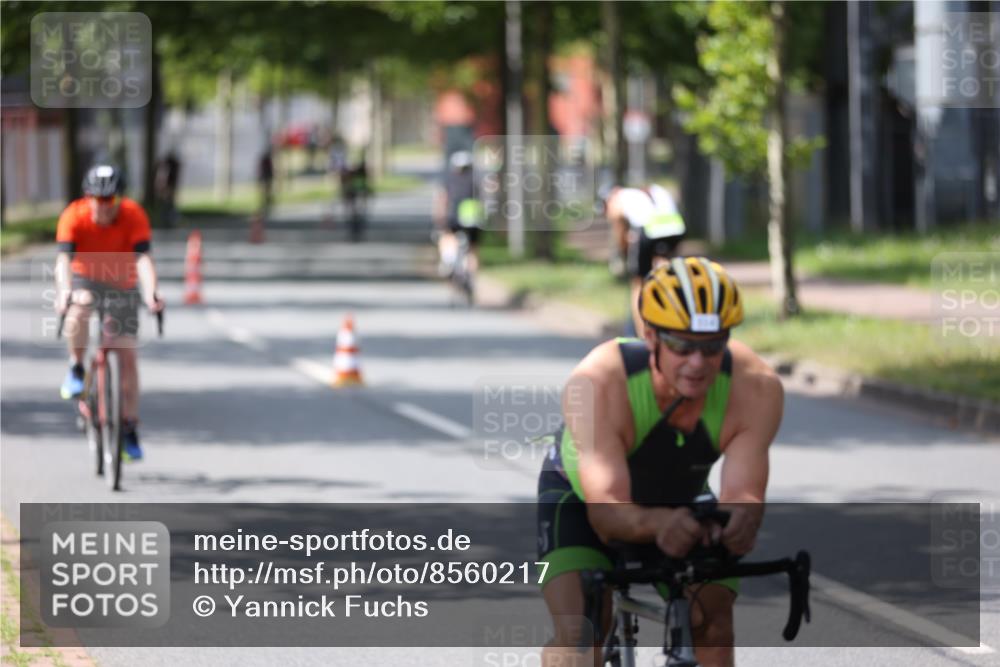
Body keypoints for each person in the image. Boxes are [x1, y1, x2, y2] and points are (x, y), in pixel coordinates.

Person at [536, 257, 783, 667]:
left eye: (712, 346)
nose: (697, 362)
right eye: (682, 345)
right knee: (581, 632)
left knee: (712, 622)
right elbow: (606, 511)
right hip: (582, 499)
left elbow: (744, 493)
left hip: (679, 498)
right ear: (650, 336)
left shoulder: (756, 387)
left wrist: (742, 520)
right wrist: (658, 524)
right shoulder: (599, 382)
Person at [55, 164, 164, 461]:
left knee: (127, 356)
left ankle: (129, 428)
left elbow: (143, 259)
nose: (104, 206)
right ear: (87, 197)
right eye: (98, 199)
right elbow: (63, 261)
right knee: (80, 307)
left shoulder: (133, 215)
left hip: (122, 282)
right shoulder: (73, 216)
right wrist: (64, 291)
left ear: (119, 198)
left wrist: (151, 292)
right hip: (85, 278)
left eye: (110, 199)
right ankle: (77, 367)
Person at [605, 183, 687, 337]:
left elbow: (619, 228)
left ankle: (643, 336)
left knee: (638, 284)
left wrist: (623, 252)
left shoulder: (617, 197)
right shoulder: (654, 189)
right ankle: (675, 324)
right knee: (668, 277)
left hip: (647, 230)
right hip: (675, 229)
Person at [434, 150, 484, 283]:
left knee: (447, 235)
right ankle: (472, 277)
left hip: (454, 217)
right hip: (474, 219)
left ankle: (447, 260)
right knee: (473, 248)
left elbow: (443, 199)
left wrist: (439, 216)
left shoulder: (449, 180)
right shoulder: (477, 180)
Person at [153, 150, 181, 228]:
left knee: (168, 205)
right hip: (167, 188)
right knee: (168, 205)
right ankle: (168, 221)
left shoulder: (167, 169)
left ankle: (169, 221)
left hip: (167, 188)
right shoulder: (169, 169)